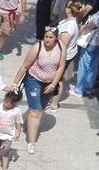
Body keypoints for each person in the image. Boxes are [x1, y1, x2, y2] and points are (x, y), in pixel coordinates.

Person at [10, 25, 65, 155]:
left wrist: (53, 84)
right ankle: (31, 141)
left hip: (49, 83)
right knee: (36, 112)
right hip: (33, 81)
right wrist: (15, 83)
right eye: (46, 36)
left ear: (56, 38)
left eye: (51, 37)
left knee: (39, 108)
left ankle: (20, 121)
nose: (48, 40)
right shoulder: (37, 47)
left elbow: (61, 67)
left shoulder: (62, 47)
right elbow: (24, 66)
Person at [0, 88, 23, 170]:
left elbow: (18, 123)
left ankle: (5, 169)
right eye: (4, 100)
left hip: (8, 135)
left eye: (7, 102)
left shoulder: (17, 111)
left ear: (14, 103)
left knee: (6, 152)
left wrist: (18, 133)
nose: (4, 103)